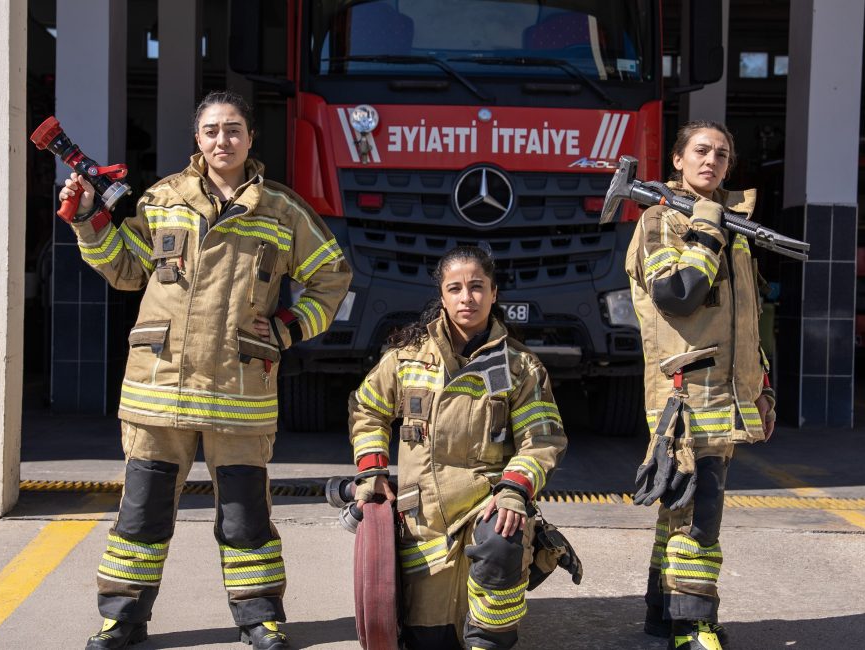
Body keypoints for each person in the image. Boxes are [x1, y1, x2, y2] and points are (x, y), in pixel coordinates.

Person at [58, 90, 351, 649]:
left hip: (239, 391)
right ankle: (122, 620)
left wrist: (287, 328)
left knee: (246, 518)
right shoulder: (162, 199)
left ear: (250, 138)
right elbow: (126, 270)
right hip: (159, 388)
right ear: (198, 139)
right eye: (212, 130)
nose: (223, 140)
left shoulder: (281, 210)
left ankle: (260, 619)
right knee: (141, 516)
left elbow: (332, 277)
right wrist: (89, 221)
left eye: (233, 129)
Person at [348, 246, 568, 649]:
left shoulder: (521, 367)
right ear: (443, 296)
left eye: (477, 287)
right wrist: (373, 471)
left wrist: (514, 490)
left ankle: (491, 641)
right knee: (431, 642)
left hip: (488, 506)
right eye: (455, 288)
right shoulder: (406, 359)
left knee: (502, 539)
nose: (467, 297)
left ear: (494, 293)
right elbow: (368, 409)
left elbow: (541, 440)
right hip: (424, 524)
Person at [625, 121, 776, 650]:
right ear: (678, 160)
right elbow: (678, 294)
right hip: (686, 393)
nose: (712, 161)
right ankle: (692, 627)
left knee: (680, 505)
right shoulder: (660, 221)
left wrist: (761, 385)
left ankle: (663, 615)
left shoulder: (734, 228)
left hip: (727, 392)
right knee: (699, 509)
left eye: (722, 154)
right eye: (701, 151)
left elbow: (745, 318)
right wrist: (707, 228)